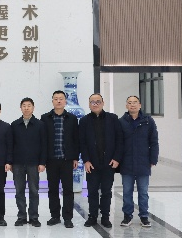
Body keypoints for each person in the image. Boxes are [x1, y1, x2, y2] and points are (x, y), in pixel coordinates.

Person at [79, 93, 123, 228]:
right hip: (92, 164)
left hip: (109, 163)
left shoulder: (113, 118)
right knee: (92, 192)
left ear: (103, 103)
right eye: (92, 102)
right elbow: (82, 143)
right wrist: (86, 160)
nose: (95, 104)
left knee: (106, 192)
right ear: (89, 104)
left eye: (98, 101)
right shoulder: (84, 121)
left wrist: (116, 158)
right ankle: (92, 216)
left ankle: (105, 217)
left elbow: (119, 140)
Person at [40, 90, 79, 228]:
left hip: (67, 160)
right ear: (52, 101)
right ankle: (55, 216)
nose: (58, 101)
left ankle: (67, 217)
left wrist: (75, 157)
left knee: (68, 189)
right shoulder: (45, 118)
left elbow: (76, 139)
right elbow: (42, 141)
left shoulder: (72, 118)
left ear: (65, 101)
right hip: (51, 160)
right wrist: (43, 160)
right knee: (53, 189)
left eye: (61, 98)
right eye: (56, 98)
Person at [119, 95, 159, 228]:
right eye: (129, 102)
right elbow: (118, 142)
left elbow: (154, 142)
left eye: (135, 102)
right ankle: (127, 216)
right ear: (126, 106)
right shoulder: (121, 122)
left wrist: (153, 159)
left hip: (143, 162)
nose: (132, 105)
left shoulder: (148, 121)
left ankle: (144, 216)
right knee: (127, 191)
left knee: (143, 192)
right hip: (126, 162)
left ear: (140, 105)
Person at [11, 97, 46, 227]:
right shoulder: (15, 125)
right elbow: (11, 145)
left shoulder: (40, 125)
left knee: (34, 191)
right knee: (19, 191)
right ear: (20, 108)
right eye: (24, 106)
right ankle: (21, 216)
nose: (26, 108)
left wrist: (42, 162)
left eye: (29, 105)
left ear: (33, 108)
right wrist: (10, 162)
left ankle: (34, 217)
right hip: (18, 163)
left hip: (34, 163)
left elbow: (44, 145)